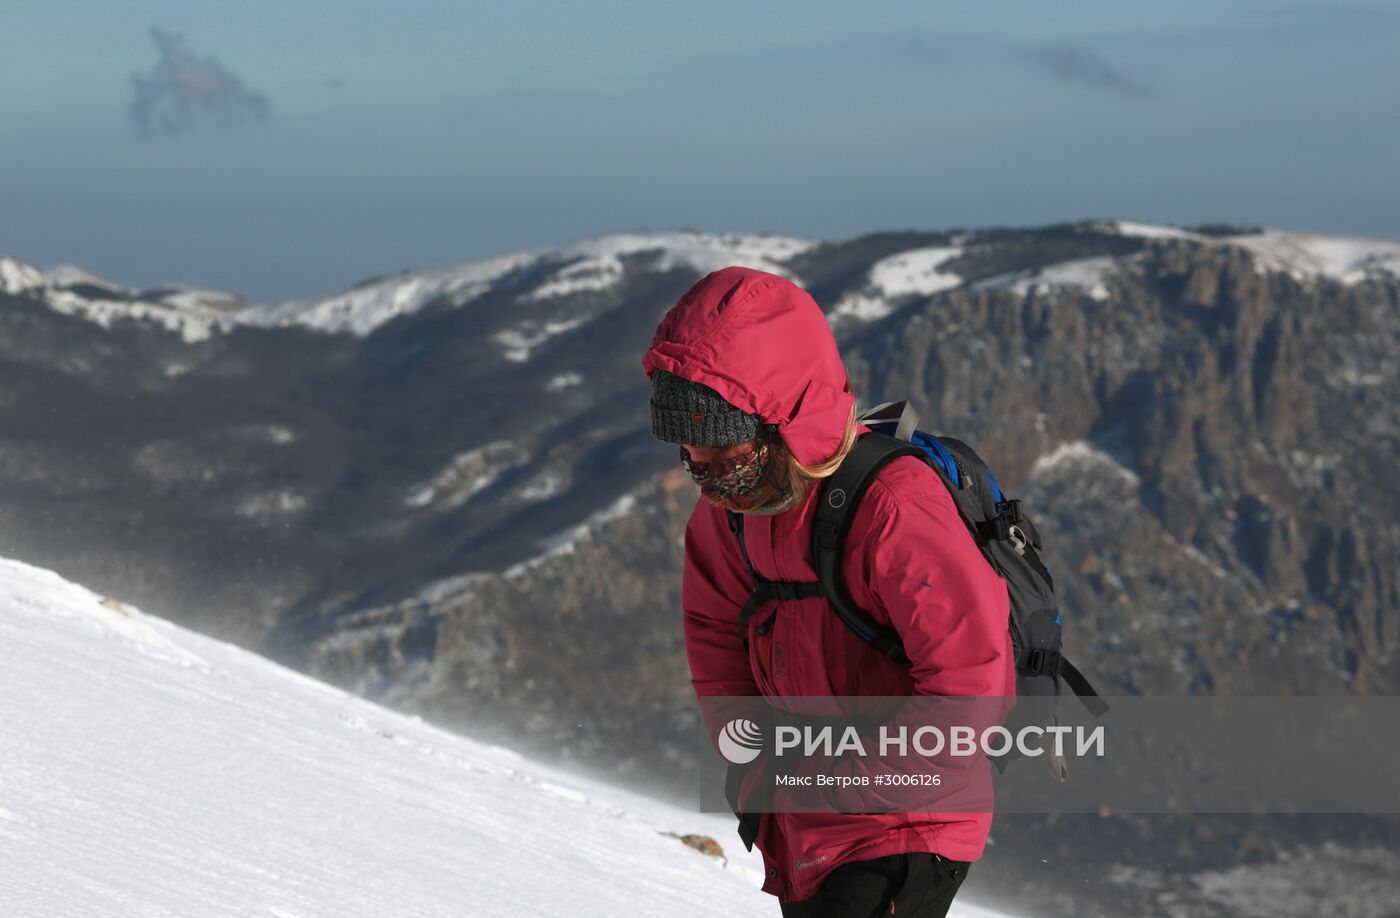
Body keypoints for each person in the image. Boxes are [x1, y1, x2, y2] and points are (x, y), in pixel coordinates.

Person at [642, 266, 1015, 918]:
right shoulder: (728, 512)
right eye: (683, 434)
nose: (694, 459)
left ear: (775, 417)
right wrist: (757, 770)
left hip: (908, 820)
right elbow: (714, 630)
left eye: (713, 434)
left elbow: (971, 686)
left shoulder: (893, 506)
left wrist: (831, 783)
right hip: (806, 824)